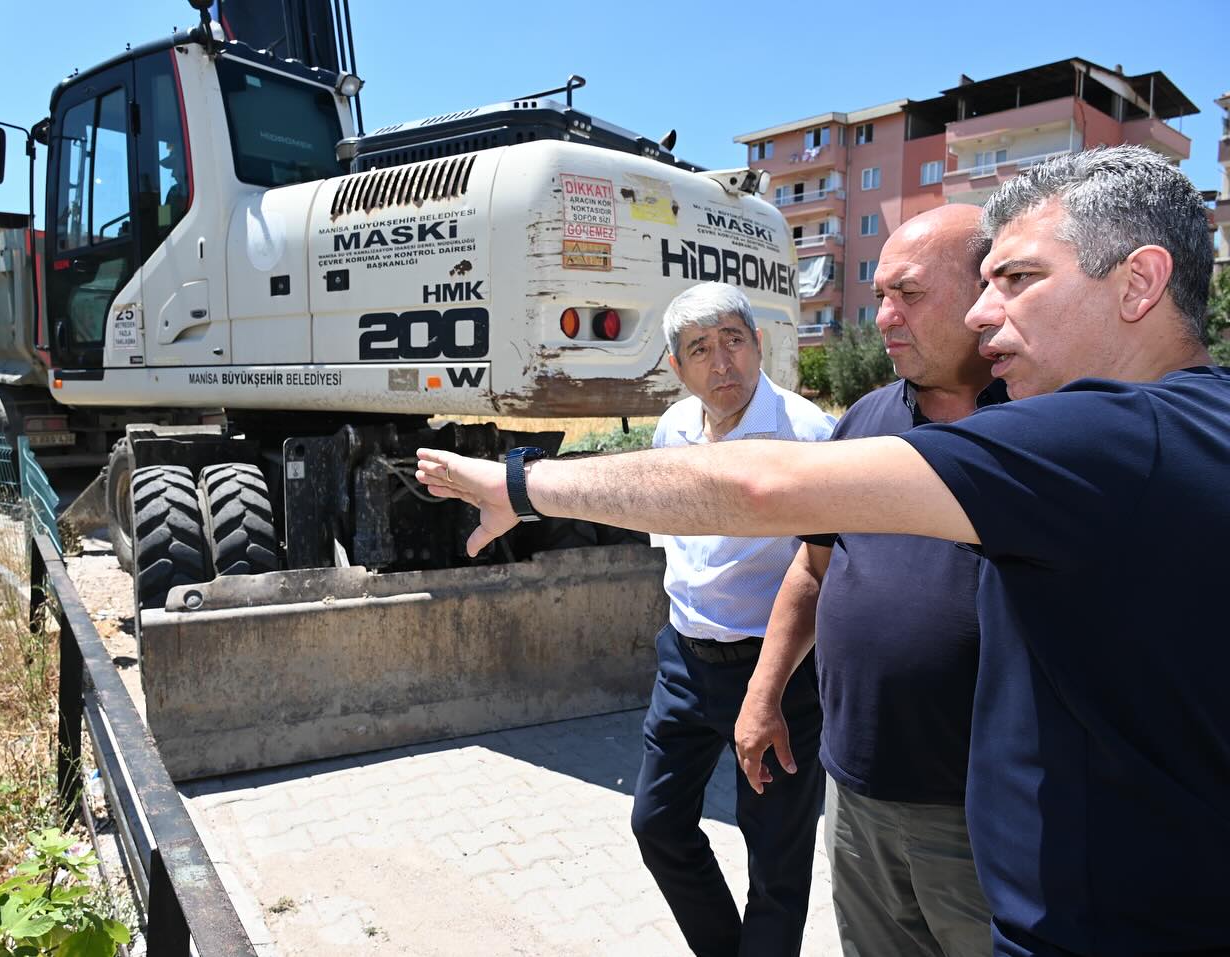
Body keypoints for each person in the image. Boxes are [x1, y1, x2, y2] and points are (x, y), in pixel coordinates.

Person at [415, 145, 1228, 957]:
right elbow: (815, 566)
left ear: (1140, 281)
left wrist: (520, 486)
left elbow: (764, 487)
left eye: (1017, 280)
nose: (985, 315)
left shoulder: (1114, 438)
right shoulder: (1183, 425)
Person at [735, 205, 998, 957]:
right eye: (879, 295)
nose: (883, 317)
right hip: (856, 793)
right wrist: (762, 694)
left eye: (907, 295)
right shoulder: (864, 421)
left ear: (983, 291)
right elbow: (812, 570)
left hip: (981, 816)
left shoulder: (1037, 425)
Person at [630, 282, 835, 957]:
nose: (723, 364)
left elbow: (823, 570)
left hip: (779, 671)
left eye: (734, 341)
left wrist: (769, 687)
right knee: (657, 824)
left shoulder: (808, 434)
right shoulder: (673, 430)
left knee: (776, 862)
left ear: (758, 344)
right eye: (701, 349)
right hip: (686, 662)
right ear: (675, 367)